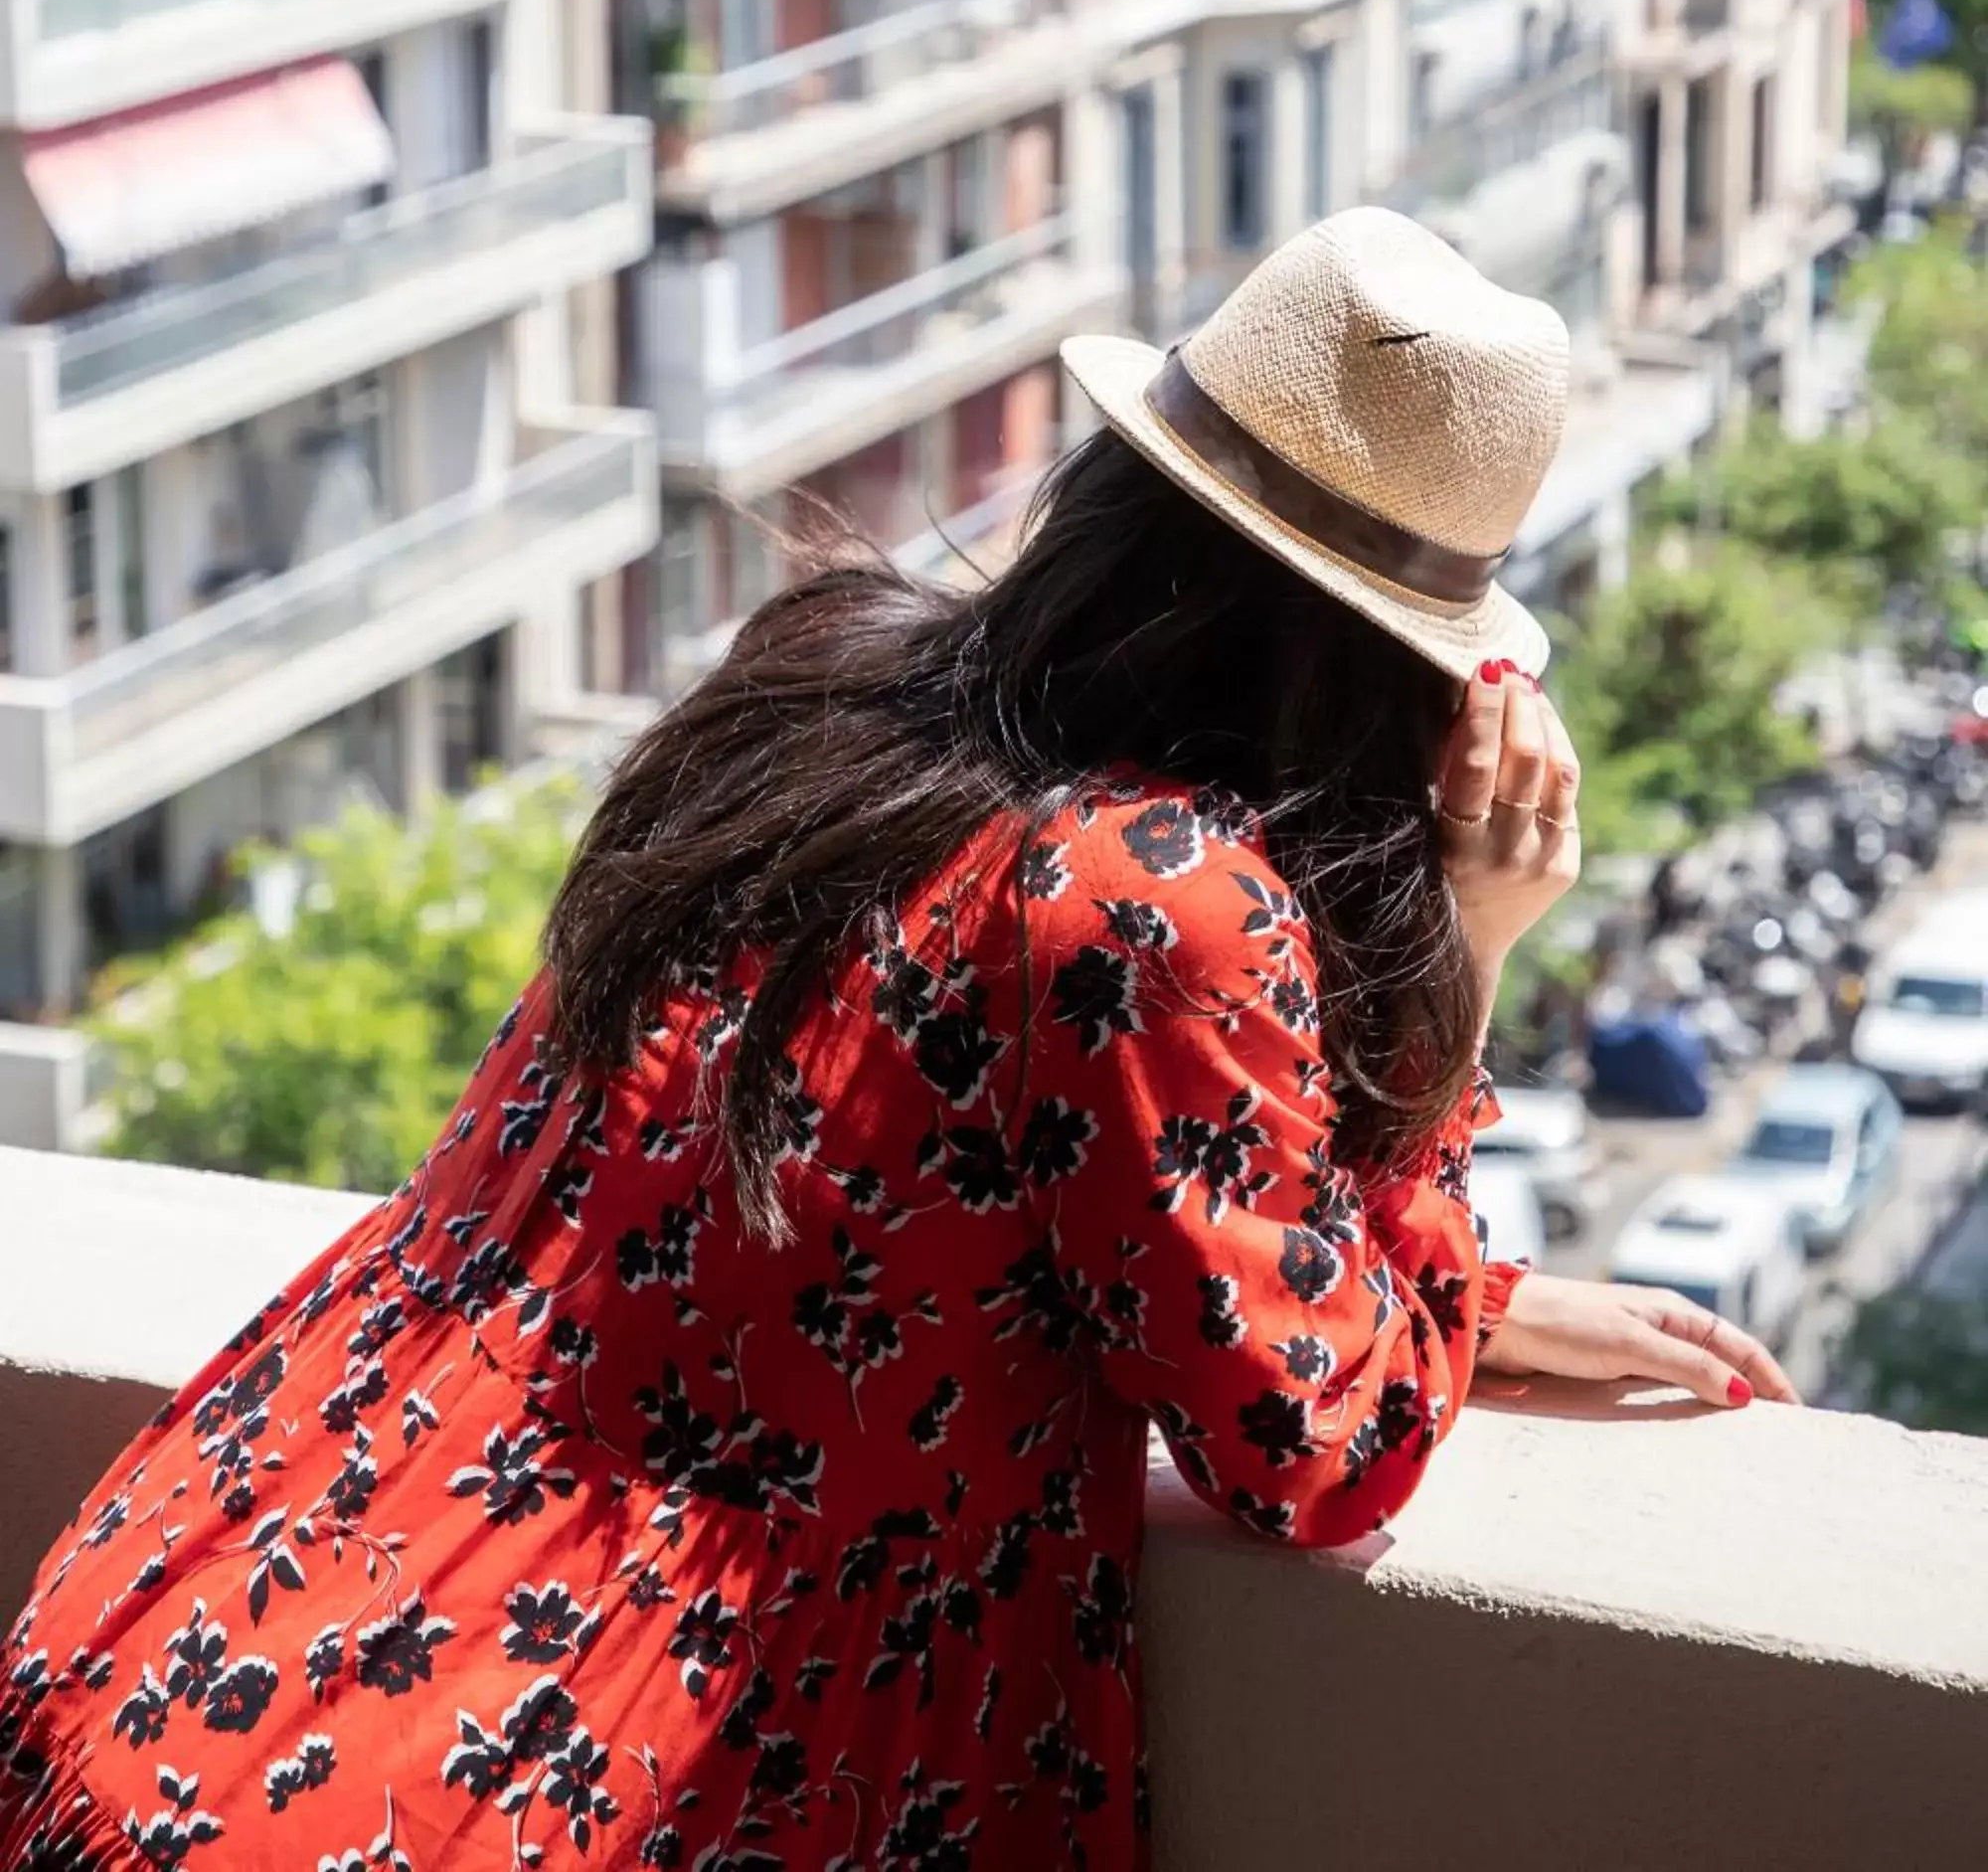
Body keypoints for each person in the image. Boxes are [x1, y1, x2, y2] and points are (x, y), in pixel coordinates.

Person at [0, 212, 1795, 1872]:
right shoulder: (1151, 899)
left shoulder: (810, 683)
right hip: (588, 1763)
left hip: (242, 1589)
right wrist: (1464, 966)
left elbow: (885, 1205)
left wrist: (1452, 1294)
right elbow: (1318, 1450)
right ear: (1394, 668)